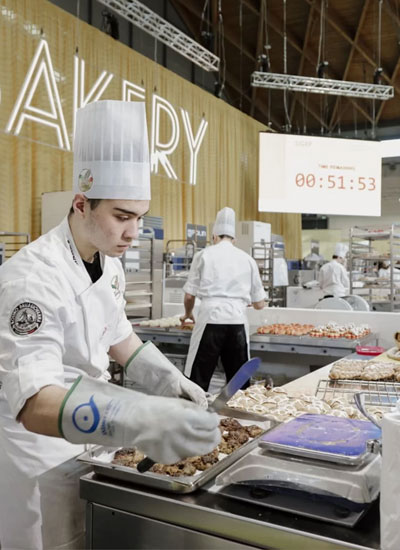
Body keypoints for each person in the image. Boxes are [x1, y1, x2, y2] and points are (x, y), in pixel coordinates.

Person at [0, 100, 221, 550]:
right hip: (38, 454)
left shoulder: (110, 263)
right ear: (81, 204)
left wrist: (167, 379)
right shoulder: (30, 279)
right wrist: (134, 416)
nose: (134, 232)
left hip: (90, 442)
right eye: (122, 216)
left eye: (139, 217)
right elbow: (34, 403)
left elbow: (117, 334)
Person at [180, 207, 266, 391]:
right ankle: (239, 418)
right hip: (237, 322)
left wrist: (188, 313)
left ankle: (195, 416)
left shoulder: (203, 255)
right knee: (239, 382)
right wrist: (242, 302)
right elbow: (260, 304)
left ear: (214, 237)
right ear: (234, 239)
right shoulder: (248, 259)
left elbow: (189, 295)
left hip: (210, 318)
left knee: (199, 378)